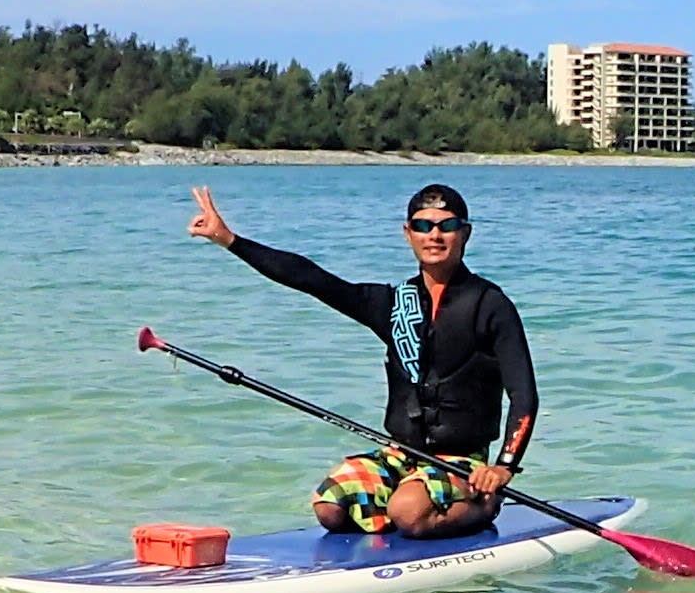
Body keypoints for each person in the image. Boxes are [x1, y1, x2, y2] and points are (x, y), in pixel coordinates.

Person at [185, 178, 536, 536]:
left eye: (446, 226)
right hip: (402, 457)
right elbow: (311, 279)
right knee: (330, 504)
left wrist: (503, 468)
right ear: (407, 233)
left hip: (464, 462)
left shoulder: (491, 306)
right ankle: (408, 515)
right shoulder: (393, 305)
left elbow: (524, 396)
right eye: (422, 226)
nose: (434, 235)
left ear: (465, 233)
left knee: (407, 510)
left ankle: (482, 505)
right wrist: (229, 240)